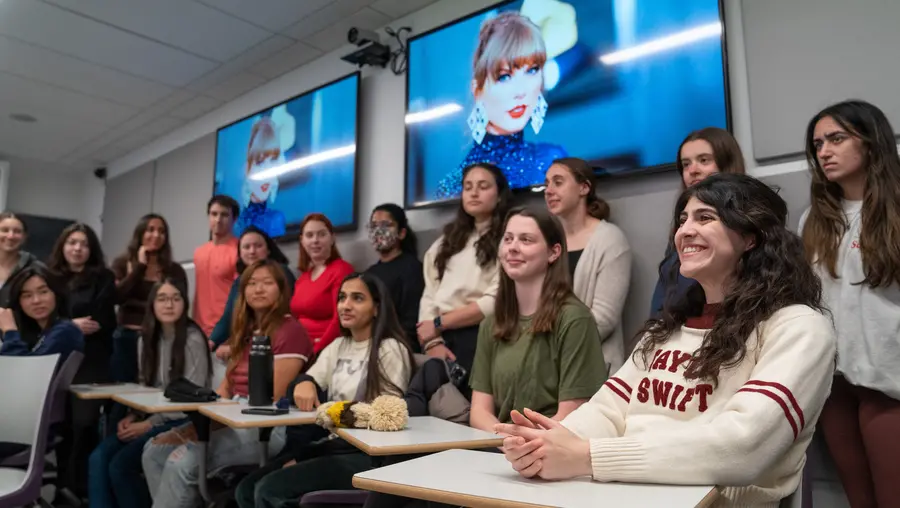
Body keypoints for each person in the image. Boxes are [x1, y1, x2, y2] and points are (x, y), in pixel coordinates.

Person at [496, 174, 836, 507]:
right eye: (683, 219)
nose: (685, 230)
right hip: (624, 495)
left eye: (705, 218)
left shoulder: (800, 327)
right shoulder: (667, 329)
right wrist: (545, 445)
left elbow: (742, 446)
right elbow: (606, 412)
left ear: (750, 237)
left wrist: (586, 456)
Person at [235, 273, 415, 508]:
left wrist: (331, 412)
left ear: (376, 309)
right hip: (333, 445)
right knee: (245, 490)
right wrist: (305, 382)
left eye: (357, 298)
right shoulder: (340, 345)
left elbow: (386, 415)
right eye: (342, 298)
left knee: (269, 491)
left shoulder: (390, 349)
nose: (346, 305)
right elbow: (308, 377)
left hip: (367, 456)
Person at [142, 259, 312, 508]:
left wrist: (202, 431)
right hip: (232, 416)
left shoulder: (290, 331)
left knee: (181, 462)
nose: (258, 289)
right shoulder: (245, 331)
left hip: (266, 426)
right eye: (252, 284)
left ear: (282, 289)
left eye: (267, 283)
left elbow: (270, 399)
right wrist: (191, 429)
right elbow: (223, 394)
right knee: (153, 451)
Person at [798, 99, 900, 508]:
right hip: (835, 382)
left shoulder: (894, 209)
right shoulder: (815, 219)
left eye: (836, 139)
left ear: (871, 142)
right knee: (858, 500)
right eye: (818, 143)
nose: (824, 151)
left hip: (888, 381)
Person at [470, 206, 607, 431]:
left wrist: (520, 442)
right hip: (500, 446)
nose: (513, 247)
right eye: (508, 239)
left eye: (526, 240)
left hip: (552, 451)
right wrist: (505, 439)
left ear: (554, 252)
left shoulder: (575, 320)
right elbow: (479, 411)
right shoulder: (491, 324)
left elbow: (570, 415)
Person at [88, 278, 210, 508]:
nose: (169, 304)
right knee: (99, 457)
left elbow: (193, 398)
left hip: (184, 418)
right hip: (153, 417)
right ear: (152, 305)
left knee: (121, 465)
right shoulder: (146, 338)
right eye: (162, 299)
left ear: (185, 304)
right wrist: (133, 416)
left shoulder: (192, 338)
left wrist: (149, 424)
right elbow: (146, 387)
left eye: (176, 298)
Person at [434, 11, 566, 199]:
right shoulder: (455, 186)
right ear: (478, 89)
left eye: (532, 70)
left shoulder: (553, 159)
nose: (521, 91)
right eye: (505, 76)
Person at [418, 163, 512, 396]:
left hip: (483, 335)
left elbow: (494, 302)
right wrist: (432, 342)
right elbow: (430, 294)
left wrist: (439, 324)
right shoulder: (445, 242)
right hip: (440, 339)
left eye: (483, 186)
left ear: (499, 195)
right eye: (468, 187)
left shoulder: (508, 240)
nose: (474, 192)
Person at [47, 223, 117, 500]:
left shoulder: (104, 277)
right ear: (62, 246)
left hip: (93, 358)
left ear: (92, 249)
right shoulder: (48, 277)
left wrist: (68, 324)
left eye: (84, 243)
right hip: (54, 358)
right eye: (72, 242)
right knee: (57, 425)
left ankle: (82, 489)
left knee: (84, 424)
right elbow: (41, 318)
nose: (77, 248)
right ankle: (60, 488)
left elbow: (102, 322)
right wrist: (69, 325)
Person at [544, 158, 631, 373]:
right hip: (544, 366)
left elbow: (604, 319)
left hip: (592, 367)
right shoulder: (545, 240)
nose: (548, 190)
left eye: (558, 182)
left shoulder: (609, 239)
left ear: (583, 188)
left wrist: (546, 348)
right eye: (546, 184)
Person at [649, 127, 746, 317]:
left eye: (704, 160)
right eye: (686, 164)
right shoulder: (680, 230)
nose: (692, 171)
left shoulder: (752, 221)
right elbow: (662, 299)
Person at [111, 214, 188, 383]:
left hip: (159, 337)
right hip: (127, 337)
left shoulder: (174, 270)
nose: (156, 235)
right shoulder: (123, 263)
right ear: (140, 233)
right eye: (150, 230)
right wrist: (139, 268)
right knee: (121, 391)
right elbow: (116, 297)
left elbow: (181, 304)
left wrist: (137, 304)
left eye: (161, 231)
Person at [209, 225, 295, 354]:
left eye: (258, 246)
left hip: (276, 342)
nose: (252, 251)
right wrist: (210, 342)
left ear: (268, 249)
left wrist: (239, 348)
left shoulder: (281, 273)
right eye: (246, 247)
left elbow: (282, 314)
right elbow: (228, 318)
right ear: (240, 253)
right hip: (246, 343)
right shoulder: (239, 281)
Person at [289, 213, 355, 354]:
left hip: (325, 350)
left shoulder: (341, 270)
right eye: (309, 235)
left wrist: (317, 351)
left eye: (321, 234)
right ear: (302, 240)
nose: (315, 240)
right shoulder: (302, 278)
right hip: (299, 348)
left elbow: (341, 318)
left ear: (332, 238)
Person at [364, 203, 424, 349]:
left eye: (386, 225)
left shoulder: (412, 268)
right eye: (373, 226)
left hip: (397, 346)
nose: (378, 231)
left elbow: (411, 322)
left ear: (401, 233)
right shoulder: (369, 273)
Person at [0, 265, 83, 361]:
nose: (36, 301)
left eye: (43, 292)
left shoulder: (65, 330)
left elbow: (26, 370)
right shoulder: (36, 333)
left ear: (56, 294)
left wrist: (10, 331)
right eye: (27, 295)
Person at [193, 195, 240, 337]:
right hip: (199, 330)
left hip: (227, 332)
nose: (218, 220)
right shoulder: (199, 252)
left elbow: (241, 297)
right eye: (214, 214)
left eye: (224, 215)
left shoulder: (240, 251)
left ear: (234, 219)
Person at [0, 211, 42, 307]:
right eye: (5, 230)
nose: (10, 236)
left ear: (24, 237)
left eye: (17, 231)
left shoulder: (34, 268)